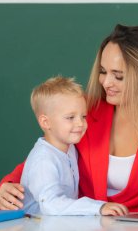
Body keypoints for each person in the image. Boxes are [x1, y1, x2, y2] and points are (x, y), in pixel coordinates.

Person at [0, 24, 138, 214]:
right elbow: (45, 158)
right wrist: (7, 186)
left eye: (118, 76)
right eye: (103, 72)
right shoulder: (84, 112)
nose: (106, 82)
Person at [20, 76, 128, 216]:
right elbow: (51, 204)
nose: (80, 123)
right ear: (45, 122)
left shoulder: (69, 148)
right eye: (70, 117)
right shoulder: (43, 160)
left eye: (83, 116)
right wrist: (98, 208)